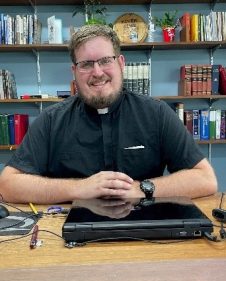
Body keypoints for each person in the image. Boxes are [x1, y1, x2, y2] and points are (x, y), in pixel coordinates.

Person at [0, 25, 217, 218]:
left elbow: (205, 179)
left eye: (105, 60)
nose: (97, 72)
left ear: (121, 63)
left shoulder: (157, 113)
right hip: (68, 237)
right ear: (74, 71)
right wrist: (79, 189)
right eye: (86, 64)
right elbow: (8, 184)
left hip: (146, 230)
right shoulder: (51, 120)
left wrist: (140, 188)